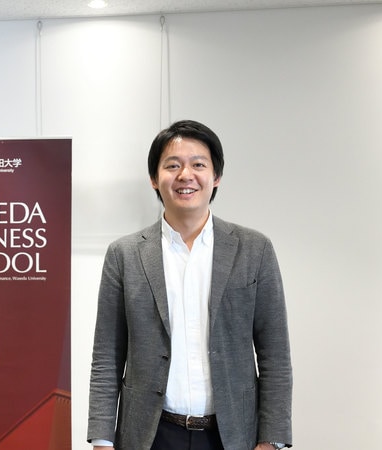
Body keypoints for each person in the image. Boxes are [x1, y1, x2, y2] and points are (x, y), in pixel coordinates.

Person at [87, 120, 292, 450]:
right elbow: (107, 356)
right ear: (154, 178)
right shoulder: (124, 254)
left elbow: (275, 355)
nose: (186, 175)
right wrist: (101, 440)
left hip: (231, 436)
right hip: (150, 435)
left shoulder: (254, 249)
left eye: (198, 164)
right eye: (172, 165)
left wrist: (272, 440)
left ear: (216, 176)